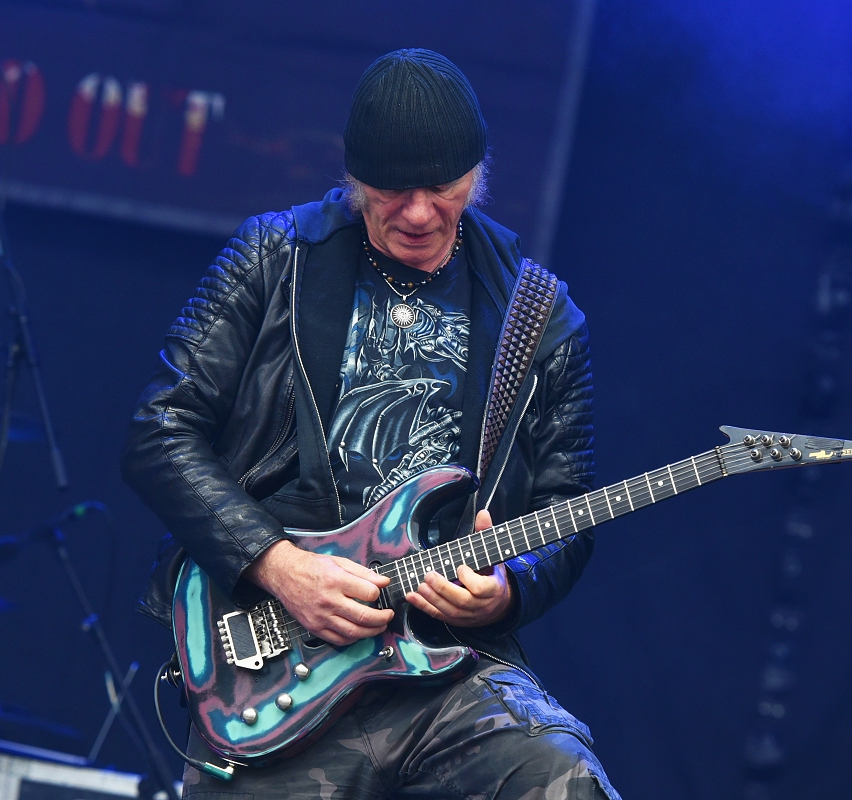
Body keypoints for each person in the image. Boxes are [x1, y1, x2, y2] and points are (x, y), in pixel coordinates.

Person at [121, 49, 618, 799]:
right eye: (391, 188)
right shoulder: (275, 258)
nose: (418, 213)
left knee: (565, 781)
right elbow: (160, 429)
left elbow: (566, 509)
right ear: (353, 178)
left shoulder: (539, 315)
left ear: (478, 173)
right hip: (276, 664)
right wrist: (278, 565)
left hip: (446, 670)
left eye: (441, 188)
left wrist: (509, 589)